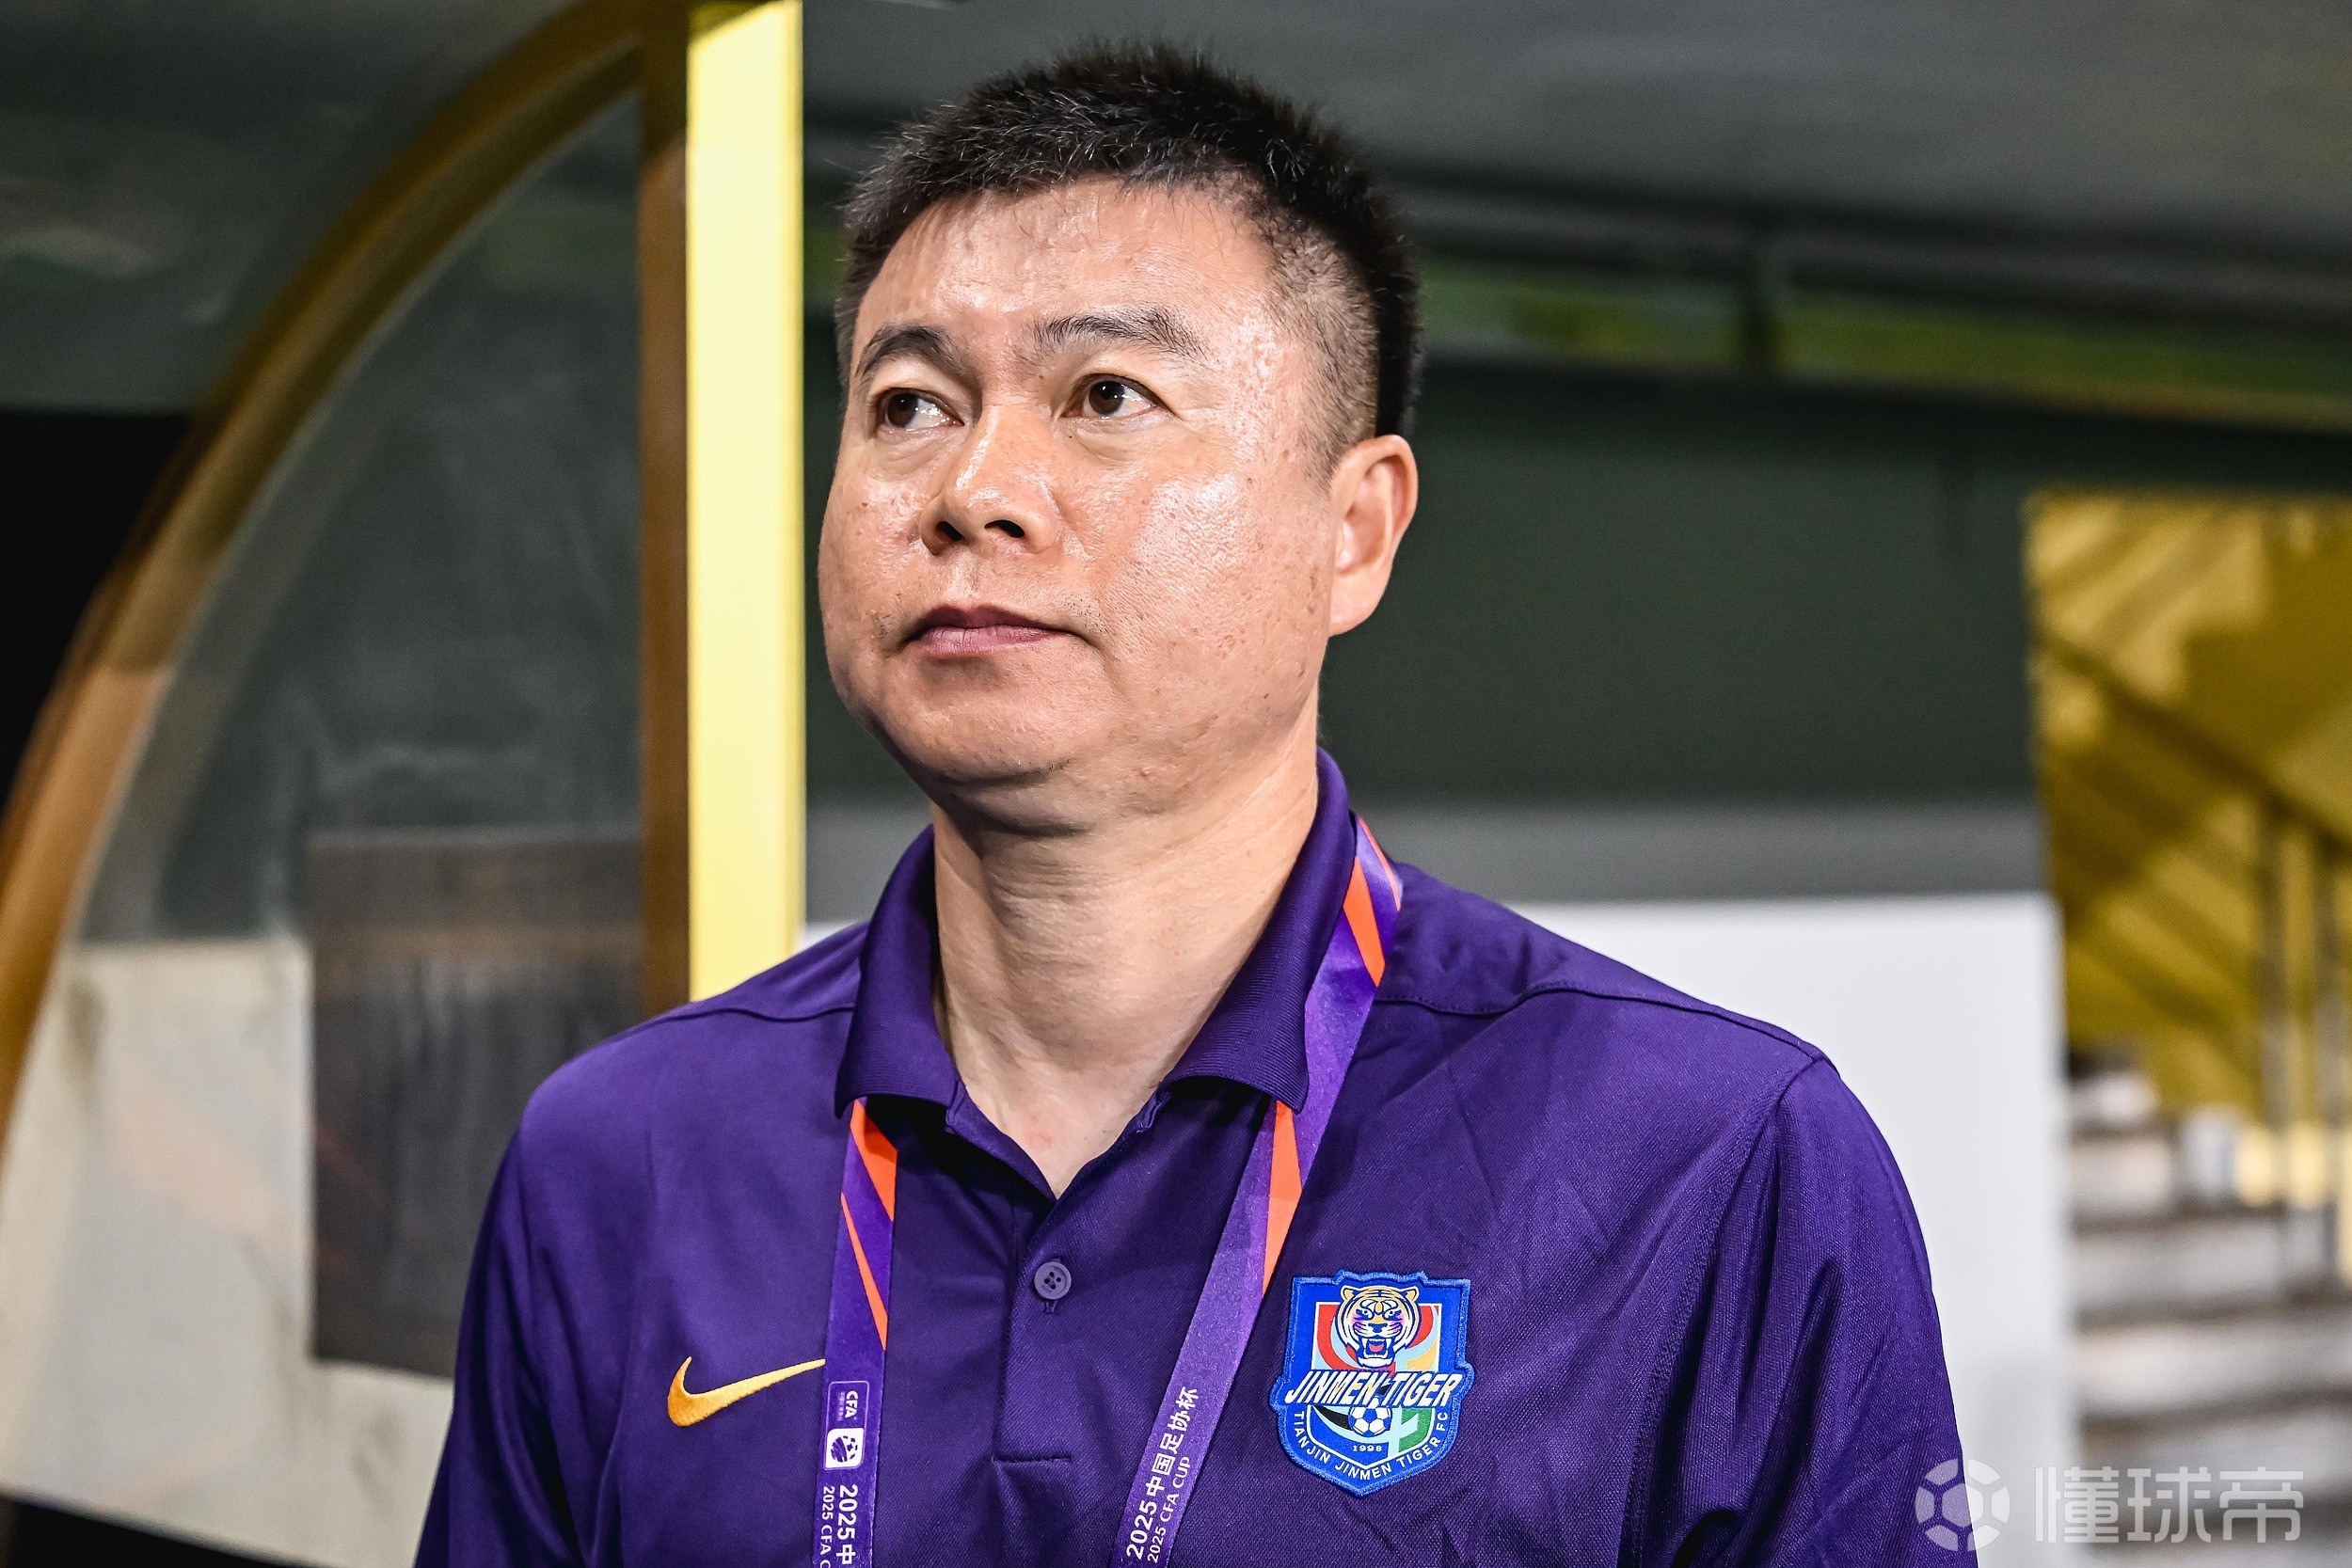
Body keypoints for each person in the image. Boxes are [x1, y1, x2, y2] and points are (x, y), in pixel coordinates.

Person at [420, 46, 1971, 1568]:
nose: (973, 488)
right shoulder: (619, 1159)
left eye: (1105, 394)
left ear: (1353, 531)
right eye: (907, 404)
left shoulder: (1707, 1163)